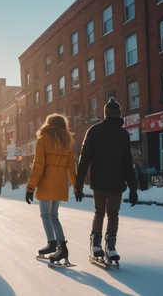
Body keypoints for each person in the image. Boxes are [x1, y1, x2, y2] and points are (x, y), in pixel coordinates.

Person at [76, 97, 138, 267]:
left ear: (104, 114)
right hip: (116, 184)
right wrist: (133, 188)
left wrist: (79, 185)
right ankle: (110, 246)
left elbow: (84, 160)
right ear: (119, 115)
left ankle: (96, 243)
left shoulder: (93, 131)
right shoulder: (123, 134)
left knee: (99, 213)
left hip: (99, 182)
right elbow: (128, 162)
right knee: (113, 215)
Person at [25, 114, 77, 265]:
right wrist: (76, 186)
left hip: (46, 184)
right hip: (60, 184)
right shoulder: (67, 144)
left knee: (45, 215)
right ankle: (61, 247)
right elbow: (71, 167)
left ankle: (52, 243)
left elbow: (38, 166)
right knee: (54, 216)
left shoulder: (43, 140)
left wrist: (30, 187)